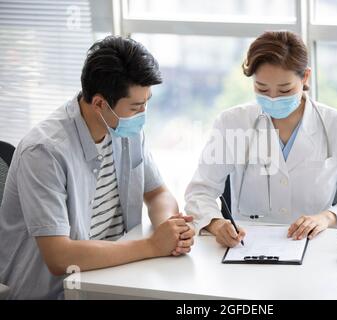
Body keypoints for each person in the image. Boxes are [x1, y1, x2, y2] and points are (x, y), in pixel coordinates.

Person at [0, 36, 194, 299]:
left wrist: (171, 230)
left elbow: (158, 193)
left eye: (146, 103)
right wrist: (152, 245)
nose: (143, 114)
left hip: (115, 275)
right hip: (58, 291)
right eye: (136, 107)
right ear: (100, 103)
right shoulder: (44, 151)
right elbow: (59, 257)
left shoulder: (125, 128)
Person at [185, 31, 337, 247]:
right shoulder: (231, 122)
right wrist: (217, 224)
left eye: (285, 90)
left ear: (305, 77)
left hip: (313, 245)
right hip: (247, 246)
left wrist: (327, 217)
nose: (273, 98)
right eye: (262, 89)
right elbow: (200, 191)